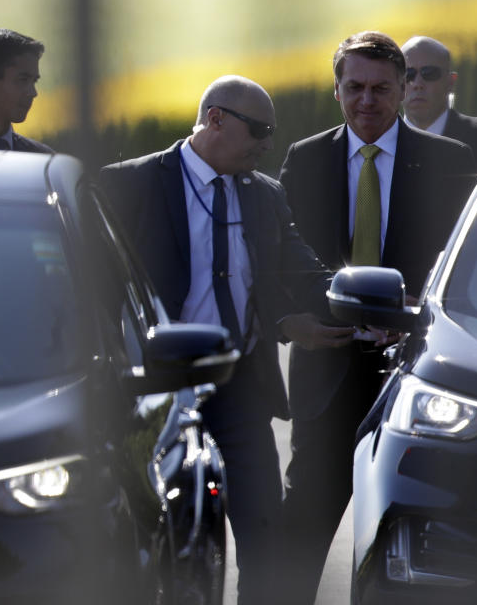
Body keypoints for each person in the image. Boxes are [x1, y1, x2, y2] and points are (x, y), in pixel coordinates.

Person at [97, 75, 353, 605]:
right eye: (258, 130)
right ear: (215, 119)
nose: (266, 144)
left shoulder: (264, 195)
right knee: (159, 543)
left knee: (267, 537)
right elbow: (95, 289)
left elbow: (298, 272)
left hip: (239, 390)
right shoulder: (129, 185)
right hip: (156, 395)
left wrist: (357, 302)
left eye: (272, 133)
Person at [277, 31, 476, 604]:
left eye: (381, 88)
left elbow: (459, 267)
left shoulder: (448, 162)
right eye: (355, 87)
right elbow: (279, 261)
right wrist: (293, 323)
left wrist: (415, 323)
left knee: (418, 532)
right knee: (299, 538)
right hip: (326, 372)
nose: (368, 100)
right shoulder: (305, 160)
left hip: (414, 379)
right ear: (336, 89)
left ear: (404, 88)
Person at [401, 35, 477, 173]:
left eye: (429, 73)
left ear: (450, 82)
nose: (417, 84)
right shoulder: (377, 146)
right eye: (408, 75)